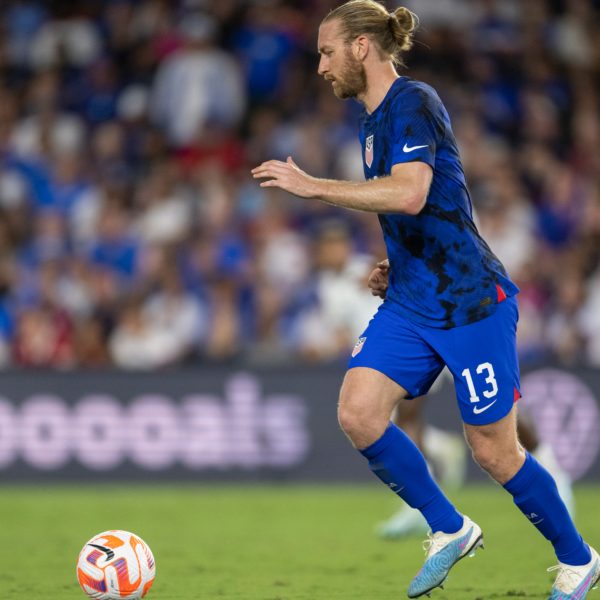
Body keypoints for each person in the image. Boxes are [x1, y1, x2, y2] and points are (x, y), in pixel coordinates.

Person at [252, 1, 599, 597]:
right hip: (415, 299)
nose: (319, 66)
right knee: (359, 412)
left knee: (494, 450)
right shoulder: (369, 123)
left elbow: (411, 194)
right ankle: (449, 527)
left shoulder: (414, 101)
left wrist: (313, 187)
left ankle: (578, 558)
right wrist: (402, 262)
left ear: (362, 47)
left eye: (327, 51)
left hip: (469, 302)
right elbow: (425, 208)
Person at [367, 259, 575, 540]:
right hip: (419, 320)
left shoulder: (444, 229)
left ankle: (553, 470)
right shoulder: (396, 239)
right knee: (406, 410)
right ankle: (416, 505)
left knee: (505, 413)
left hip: (464, 320)